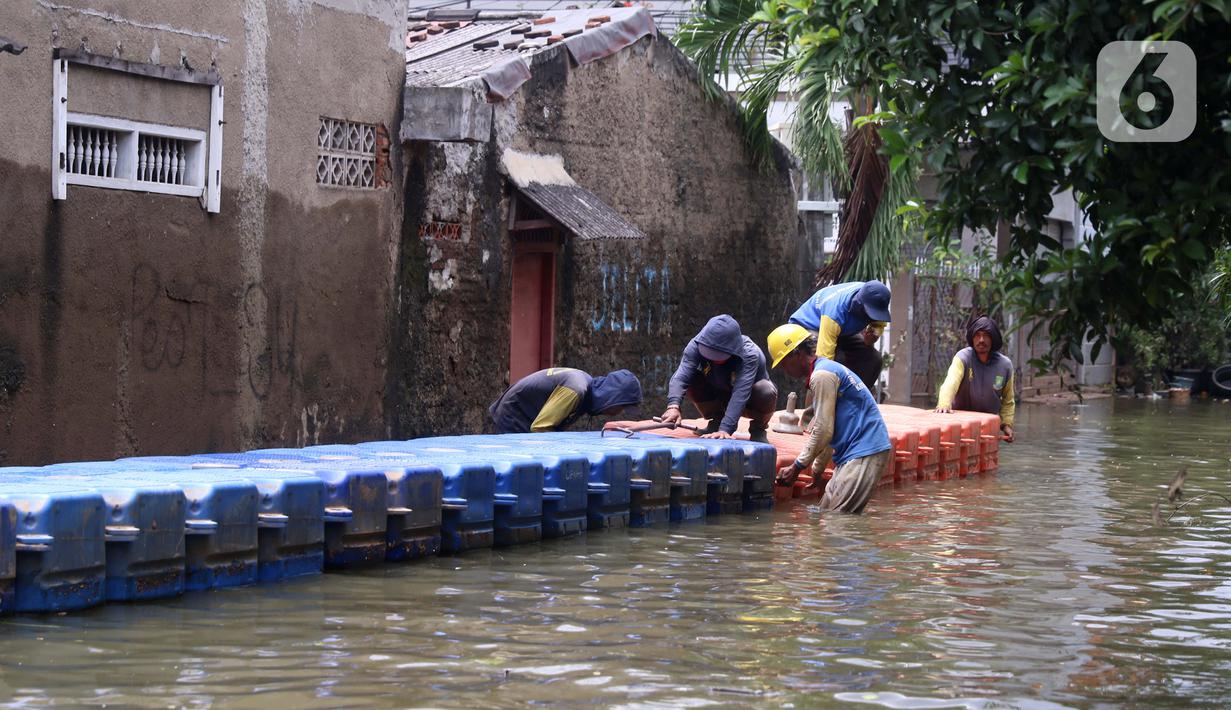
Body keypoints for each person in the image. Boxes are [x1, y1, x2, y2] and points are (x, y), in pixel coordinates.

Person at [767, 323, 892, 514]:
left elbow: (823, 429)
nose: (784, 370)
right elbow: (829, 429)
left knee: (837, 522)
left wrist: (797, 466)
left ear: (796, 354)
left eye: (783, 362)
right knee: (826, 515)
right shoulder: (825, 370)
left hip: (863, 451)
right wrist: (817, 471)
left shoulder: (822, 376)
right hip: (855, 453)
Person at [659, 314, 777, 443]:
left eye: (719, 354)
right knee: (691, 378)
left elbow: (741, 393)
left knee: (766, 390)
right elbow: (681, 376)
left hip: (749, 399)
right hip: (719, 391)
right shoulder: (696, 345)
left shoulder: (749, 354)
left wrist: (726, 429)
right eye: (710, 353)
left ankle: (758, 428)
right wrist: (673, 406)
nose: (713, 358)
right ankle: (717, 420)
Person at [783, 280, 892, 389]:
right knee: (829, 366)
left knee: (873, 359)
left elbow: (878, 324)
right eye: (870, 313)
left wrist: (873, 335)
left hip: (840, 330)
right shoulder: (835, 313)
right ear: (859, 304)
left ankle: (856, 399)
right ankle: (816, 404)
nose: (872, 317)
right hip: (808, 326)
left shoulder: (876, 298)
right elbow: (825, 360)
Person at [934, 315, 1017, 442]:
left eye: (986, 335)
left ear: (993, 338)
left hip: (988, 426)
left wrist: (1007, 424)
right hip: (960, 424)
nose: (981, 340)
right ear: (972, 338)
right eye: (977, 335)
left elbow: (1008, 400)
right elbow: (951, 382)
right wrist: (944, 404)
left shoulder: (1005, 365)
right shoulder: (963, 357)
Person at [489, 367, 642, 434]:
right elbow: (541, 428)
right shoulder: (577, 389)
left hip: (528, 416)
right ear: (612, 398)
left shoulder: (585, 389)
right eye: (621, 407)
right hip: (515, 415)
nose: (618, 414)